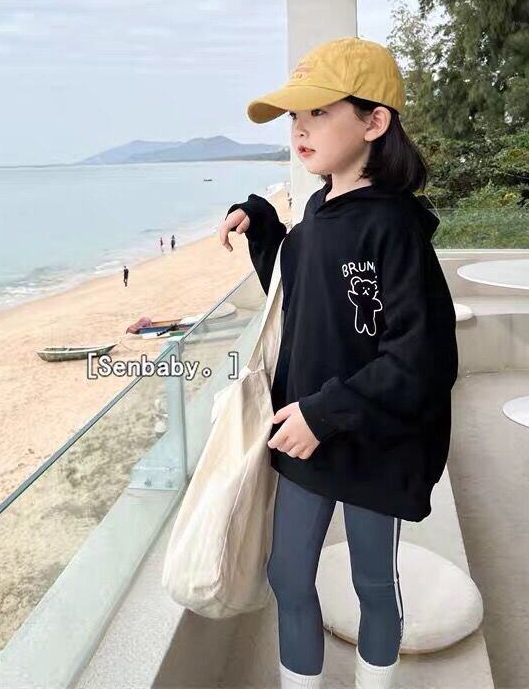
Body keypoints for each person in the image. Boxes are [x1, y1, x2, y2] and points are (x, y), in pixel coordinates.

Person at [218, 37, 458, 689]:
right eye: (296, 116)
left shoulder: (395, 227)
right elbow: (298, 290)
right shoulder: (318, 212)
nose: (300, 129)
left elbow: (423, 355)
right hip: (305, 431)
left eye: (320, 113)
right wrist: (261, 220)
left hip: (370, 435)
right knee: (288, 575)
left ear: (374, 122)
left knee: (372, 581)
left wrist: (328, 413)